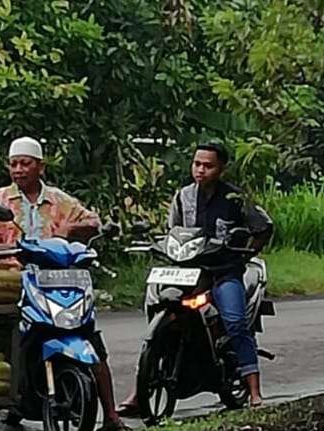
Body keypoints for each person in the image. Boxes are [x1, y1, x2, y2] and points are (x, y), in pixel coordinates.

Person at [0, 136, 125, 431]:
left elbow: (93, 222)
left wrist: (71, 230)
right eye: (14, 164)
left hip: (57, 283)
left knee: (90, 340)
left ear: (40, 167)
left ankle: (112, 417)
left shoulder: (60, 201)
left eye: (25, 163)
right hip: (10, 283)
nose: (18, 169)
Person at [116, 142, 273, 415]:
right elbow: (172, 230)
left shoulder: (236, 198)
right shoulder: (183, 196)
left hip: (223, 272)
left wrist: (243, 254)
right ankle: (139, 393)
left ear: (221, 168)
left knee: (235, 322)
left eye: (208, 165)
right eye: (197, 164)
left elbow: (264, 227)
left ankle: (255, 391)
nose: (200, 170)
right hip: (187, 272)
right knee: (161, 312)